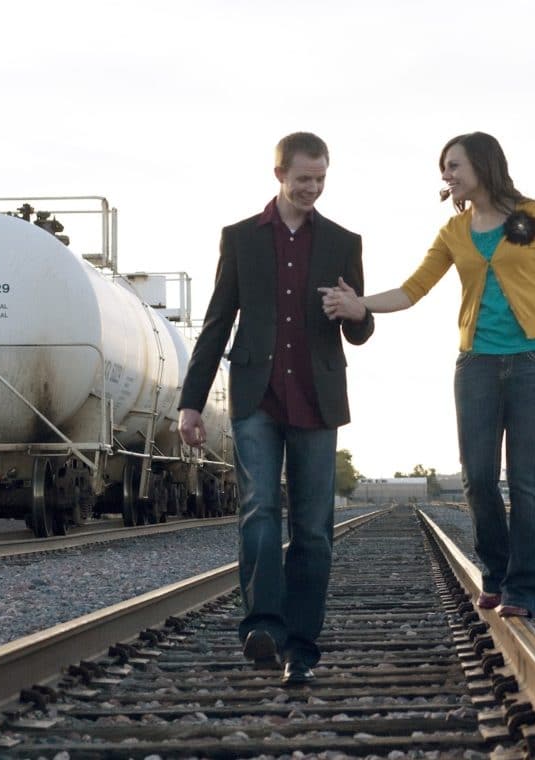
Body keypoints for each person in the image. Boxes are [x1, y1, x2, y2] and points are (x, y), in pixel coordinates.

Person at [321, 132, 535, 619]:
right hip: (477, 366)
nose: (447, 177)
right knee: (478, 478)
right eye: (443, 170)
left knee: (525, 477)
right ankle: (496, 574)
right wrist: (360, 304)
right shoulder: (454, 233)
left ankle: (523, 590)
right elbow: (413, 290)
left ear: (482, 165)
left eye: (453, 166)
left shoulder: (532, 216)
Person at [178, 132, 374, 686]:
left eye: (320, 179)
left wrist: (353, 311)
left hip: (317, 396)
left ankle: (302, 647)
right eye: (303, 179)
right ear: (279, 175)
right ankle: (261, 625)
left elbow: (360, 329)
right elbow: (218, 322)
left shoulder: (342, 242)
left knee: (313, 528)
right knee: (259, 510)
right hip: (257, 396)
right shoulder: (240, 239)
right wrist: (191, 404)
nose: (312, 188)